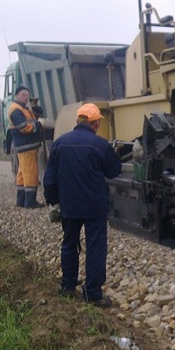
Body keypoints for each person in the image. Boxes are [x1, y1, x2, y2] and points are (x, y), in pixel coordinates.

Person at [43, 103, 122, 307]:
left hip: (69, 206)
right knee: (95, 247)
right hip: (94, 207)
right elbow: (114, 170)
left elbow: (49, 179)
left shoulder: (59, 144)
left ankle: (68, 286)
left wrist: (54, 202)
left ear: (78, 120)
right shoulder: (100, 145)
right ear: (95, 123)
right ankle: (93, 294)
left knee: (69, 243)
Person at [8, 86, 44, 208]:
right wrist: (37, 125)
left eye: (27, 96)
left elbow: (30, 120)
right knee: (30, 173)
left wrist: (36, 114)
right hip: (26, 145)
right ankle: (30, 202)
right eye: (23, 95)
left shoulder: (23, 109)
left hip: (25, 145)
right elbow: (24, 127)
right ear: (16, 95)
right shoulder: (15, 110)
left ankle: (21, 200)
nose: (26, 98)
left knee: (22, 173)